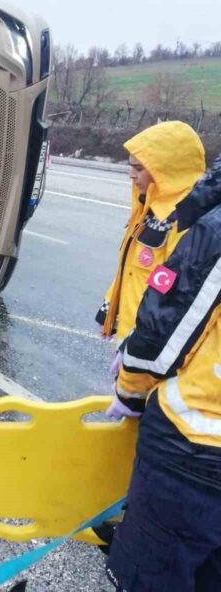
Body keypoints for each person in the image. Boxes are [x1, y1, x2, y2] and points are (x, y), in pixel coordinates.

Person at [105, 155, 221, 590]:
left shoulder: (210, 227)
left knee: (150, 575)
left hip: (193, 451)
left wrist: (130, 389)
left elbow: (163, 331)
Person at [95, 121, 205, 364]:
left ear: (166, 170)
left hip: (151, 346)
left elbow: (174, 294)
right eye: (130, 166)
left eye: (139, 168)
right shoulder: (148, 208)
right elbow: (131, 268)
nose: (131, 174)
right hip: (132, 336)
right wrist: (109, 310)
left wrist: (140, 342)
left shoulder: (185, 221)